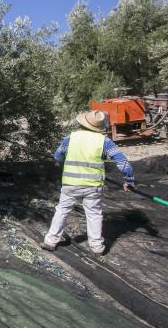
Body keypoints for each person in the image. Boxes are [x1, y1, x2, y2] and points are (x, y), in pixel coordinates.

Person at [41, 110, 134, 256]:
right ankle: (97, 247)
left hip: (70, 184)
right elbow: (122, 161)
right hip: (93, 186)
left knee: (62, 210)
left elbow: (57, 156)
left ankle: (50, 241)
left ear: (82, 123)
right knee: (94, 214)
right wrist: (129, 180)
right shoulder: (104, 141)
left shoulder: (70, 138)